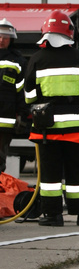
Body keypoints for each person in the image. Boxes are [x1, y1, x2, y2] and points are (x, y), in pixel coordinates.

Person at [23, 11, 79, 227]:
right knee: (78, 175)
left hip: (47, 130)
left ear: (46, 33)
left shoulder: (36, 59)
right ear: (69, 33)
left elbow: (29, 96)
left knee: (50, 176)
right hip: (75, 129)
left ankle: (53, 215)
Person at [0, 18, 26, 173]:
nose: (2, 40)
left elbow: (21, 90)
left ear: (11, 39)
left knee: (0, 157)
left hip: (5, 118)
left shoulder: (18, 61)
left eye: (5, 37)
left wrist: (22, 115)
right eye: (0, 36)